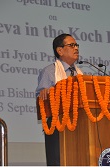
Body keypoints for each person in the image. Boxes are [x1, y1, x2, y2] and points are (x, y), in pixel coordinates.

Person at [35, 33, 83, 166]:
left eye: (76, 45)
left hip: (80, 125)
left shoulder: (80, 74)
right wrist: (46, 93)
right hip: (57, 126)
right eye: (72, 45)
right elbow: (41, 100)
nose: (76, 48)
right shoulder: (50, 72)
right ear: (60, 50)